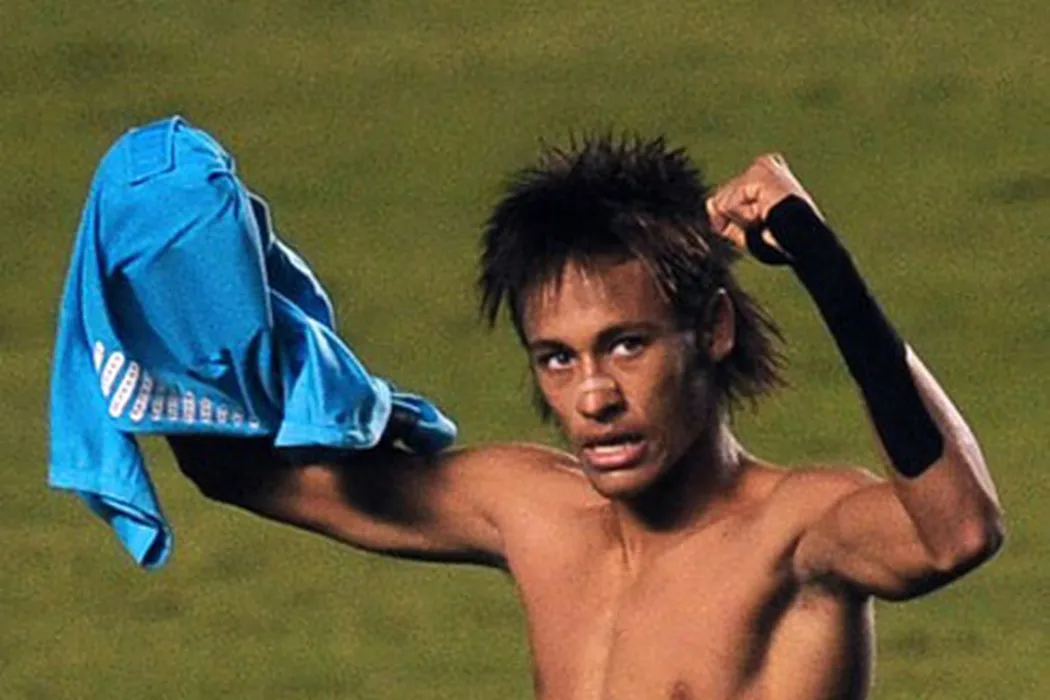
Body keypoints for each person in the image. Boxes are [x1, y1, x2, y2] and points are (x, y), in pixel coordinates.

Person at [58, 120, 1005, 699]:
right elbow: (242, 472)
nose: (593, 396)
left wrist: (816, 255)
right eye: (558, 357)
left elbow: (956, 532)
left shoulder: (796, 534)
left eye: (627, 345)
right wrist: (170, 239)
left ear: (712, 329)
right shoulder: (533, 512)